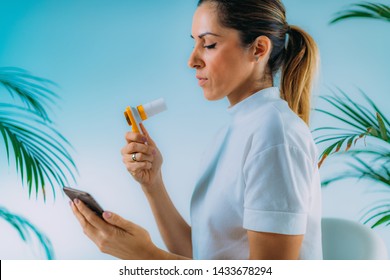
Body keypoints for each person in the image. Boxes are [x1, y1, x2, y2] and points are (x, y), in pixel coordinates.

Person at [70, 0, 322, 260]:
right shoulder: (233, 132)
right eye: (194, 43)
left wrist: (145, 256)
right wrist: (153, 184)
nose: (192, 60)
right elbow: (202, 256)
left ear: (258, 49)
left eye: (209, 44)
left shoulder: (275, 135)